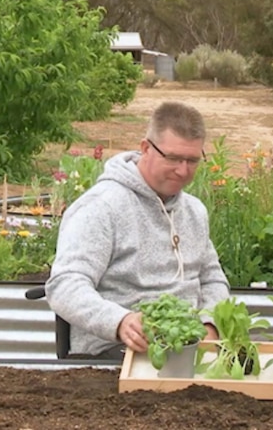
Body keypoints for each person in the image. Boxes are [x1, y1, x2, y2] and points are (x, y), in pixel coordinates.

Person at [45, 101, 230, 359]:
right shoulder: (101, 207)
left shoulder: (194, 211)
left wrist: (210, 323)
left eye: (192, 160)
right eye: (174, 158)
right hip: (115, 352)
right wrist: (120, 321)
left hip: (185, 346)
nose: (183, 170)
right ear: (145, 148)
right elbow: (64, 285)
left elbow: (212, 279)